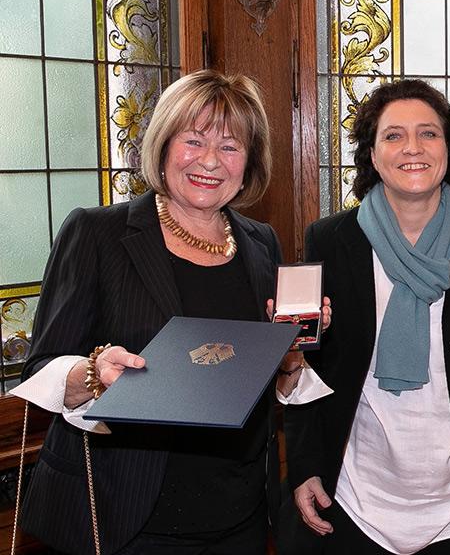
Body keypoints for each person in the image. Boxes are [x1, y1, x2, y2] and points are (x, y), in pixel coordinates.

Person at [12, 69, 330, 554]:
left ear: (249, 162)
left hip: (239, 516)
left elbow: (265, 381)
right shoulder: (98, 234)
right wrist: (95, 374)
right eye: (194, 140)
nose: (210, 161)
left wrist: (290, 357)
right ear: (163, 147)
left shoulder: (260, 243)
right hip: (126, 517)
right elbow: (42, 366)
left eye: (229, 146)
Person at [283, 79, 450, 554]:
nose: (412, 148)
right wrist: (305, 465)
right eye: (393, 136)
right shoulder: (330, 241)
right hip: (357, 494)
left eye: (429, 133)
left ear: (449, 149)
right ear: (373, 156)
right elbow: (308, 367)